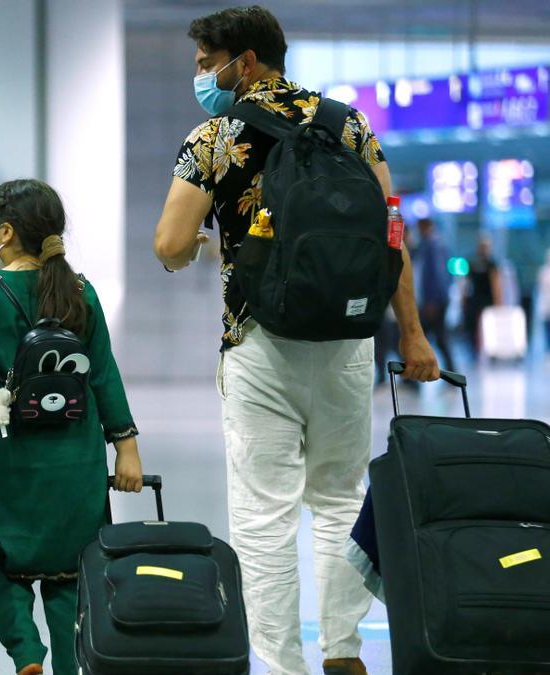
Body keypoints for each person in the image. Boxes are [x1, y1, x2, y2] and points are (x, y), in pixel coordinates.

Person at [151, 7, 439, 675]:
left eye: (206, 64)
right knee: (340, 497)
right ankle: (343, 650)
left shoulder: (216, 137)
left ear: (244, 62)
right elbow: (391, 236)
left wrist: (190, 248)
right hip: (346, 341)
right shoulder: (350, 125)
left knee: (263, 515)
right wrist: (415, 335)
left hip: (260, 342)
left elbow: (168, 243)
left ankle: (283, 665)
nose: (201, 77)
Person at [0, 179, 144, 675]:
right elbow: (103, 375)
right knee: (69, 577)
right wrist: (126, 449)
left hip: (11, 462)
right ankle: (63, 666)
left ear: (7, 233)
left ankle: (26, 654)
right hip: (76, 465)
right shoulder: (82, 293)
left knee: (6, 565)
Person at [412, 218, 456, 372]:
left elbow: (438, 275)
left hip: (434, 302)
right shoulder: (432, 245)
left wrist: (431, 301)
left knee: (431, 337)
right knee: (437, 338)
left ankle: (415, 375)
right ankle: (449, 371)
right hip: (438, 299)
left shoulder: (433, 246)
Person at [464, 238, 502, 354]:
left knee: (485, 326)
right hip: (478, 299)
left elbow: (495, 283)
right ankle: (477, 349)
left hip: (484, 299)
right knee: (475, 326)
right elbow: (466, 283)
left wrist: (498, 300)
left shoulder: (491, 264)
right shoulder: (474, 263)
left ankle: (483, 349)